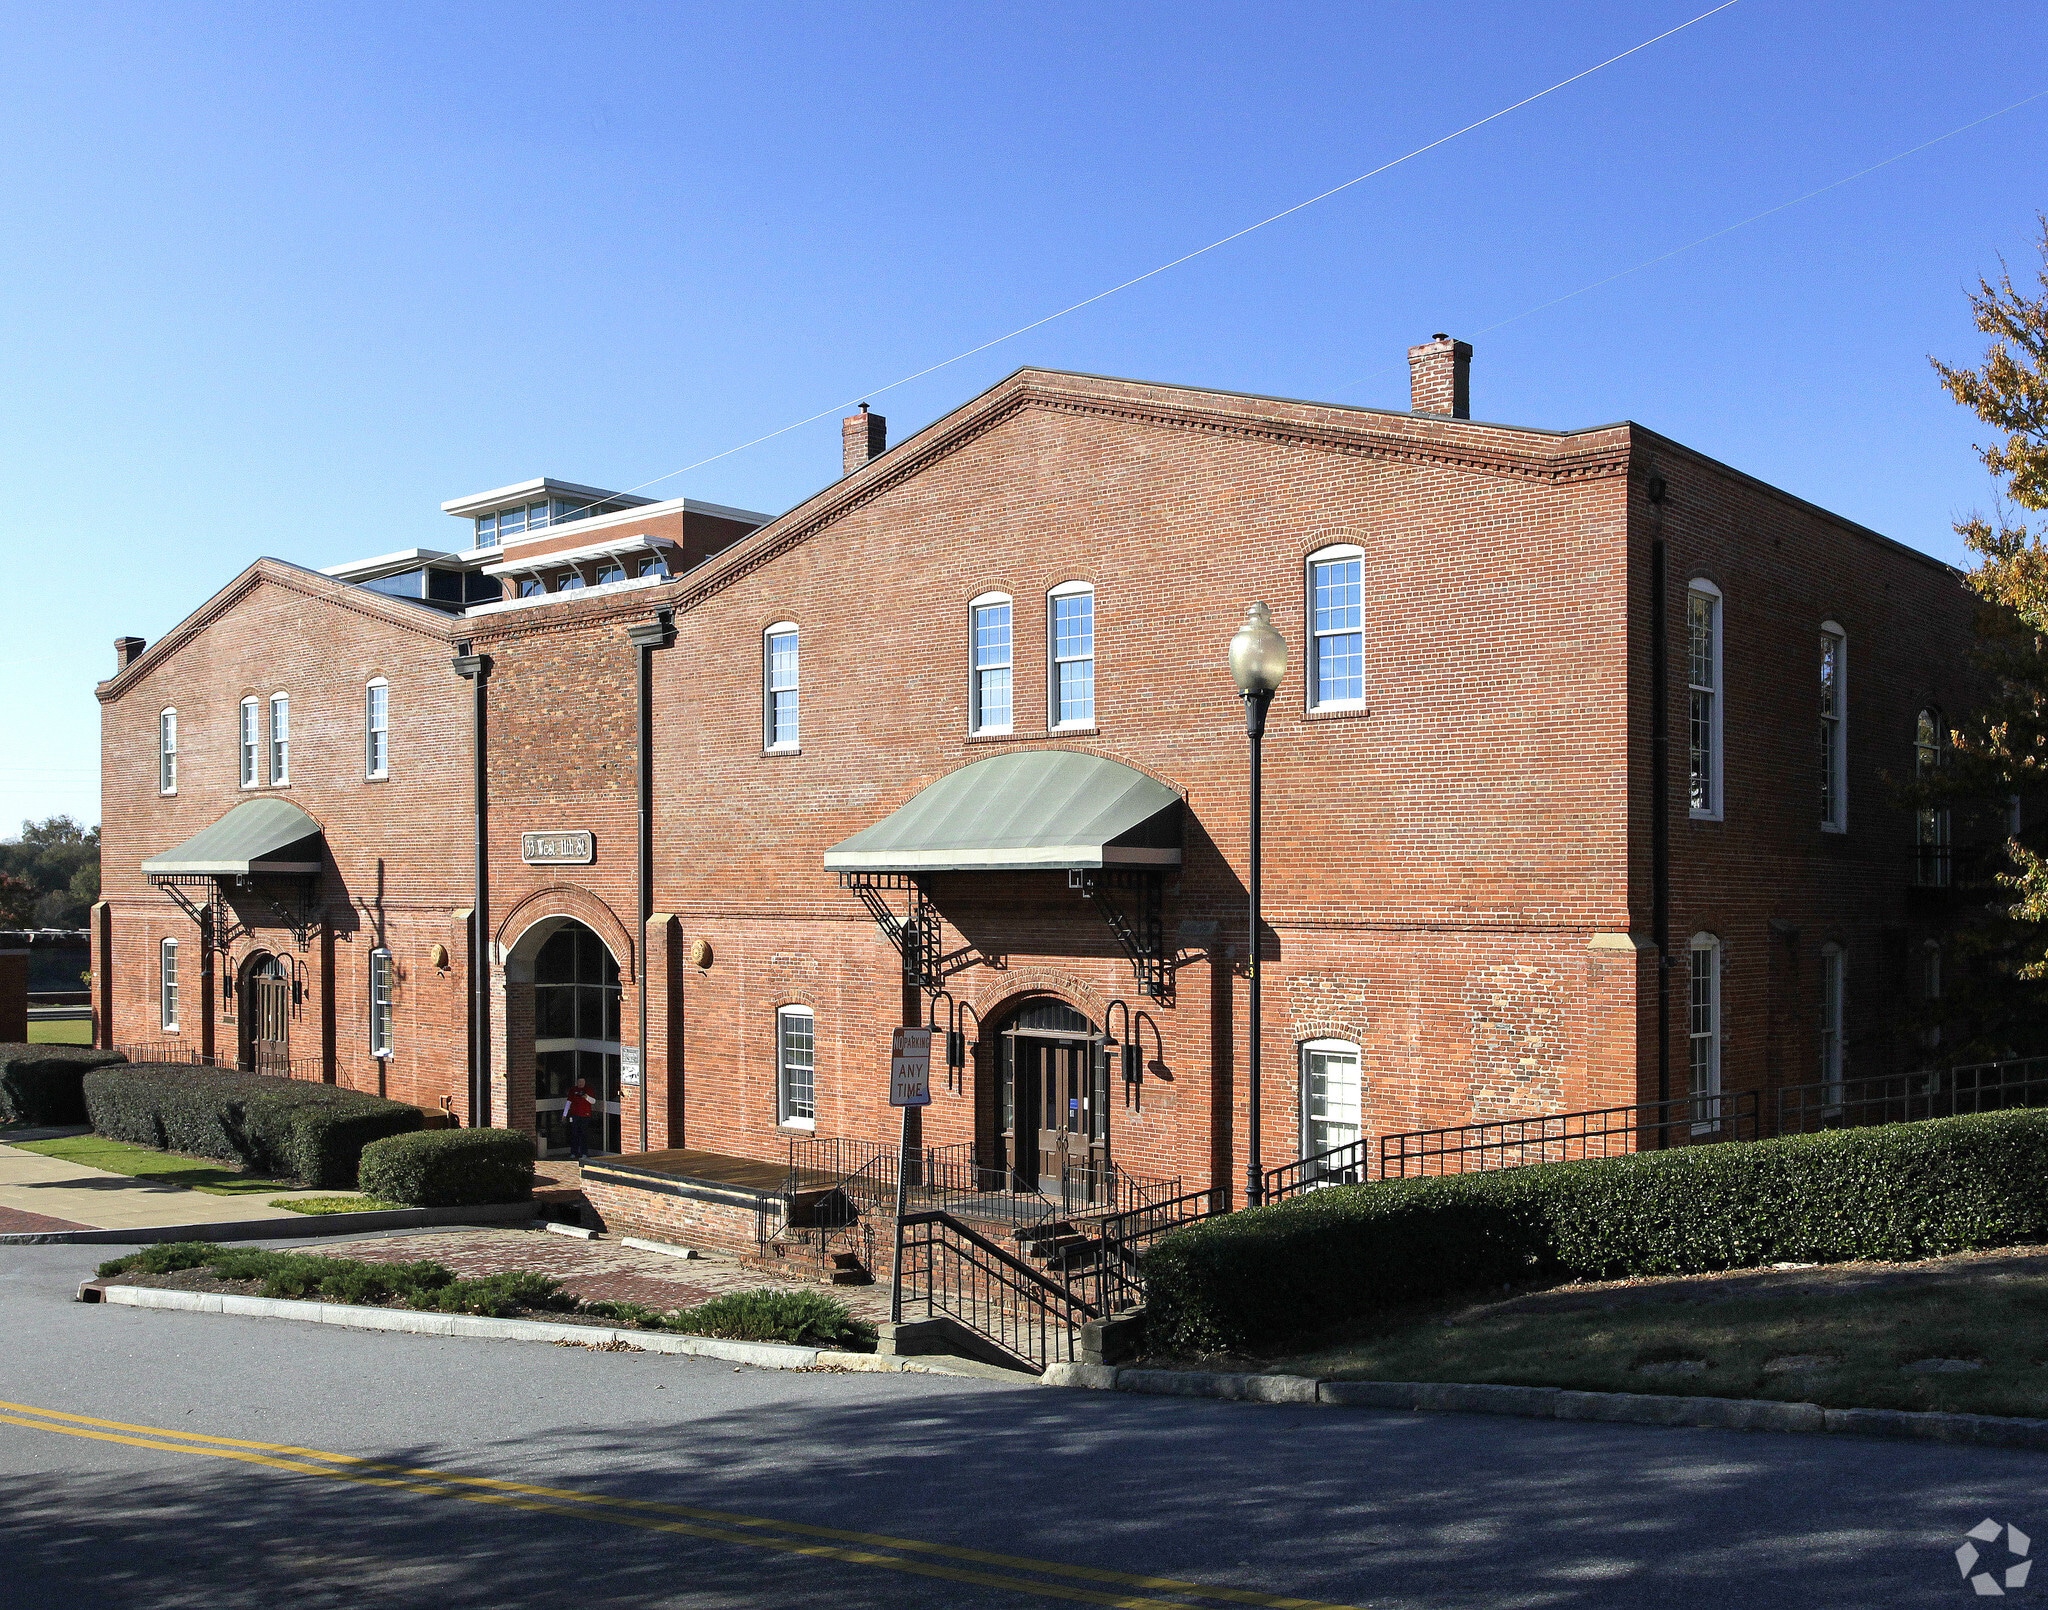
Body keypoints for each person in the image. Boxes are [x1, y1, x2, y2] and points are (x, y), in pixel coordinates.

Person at [564, 1077, 596, 1160]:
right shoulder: (573, 1090)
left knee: (583, 1134)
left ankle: (584, 1153)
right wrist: (564, 1114)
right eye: (579, 1082)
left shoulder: (588, 1090)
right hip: (575, 1115)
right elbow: (568, 1102)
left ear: (585, 1082)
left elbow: (593, 1101)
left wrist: (586, 1097)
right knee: (574, 1134)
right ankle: (573, 1152)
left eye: (582, 1082)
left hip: (585, 1116)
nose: (581, 1083)